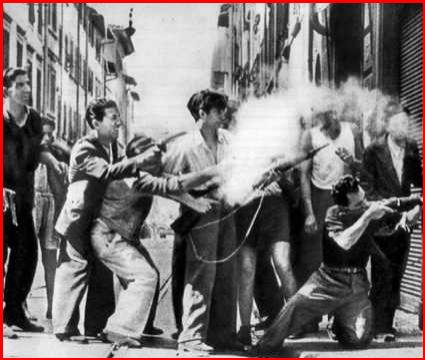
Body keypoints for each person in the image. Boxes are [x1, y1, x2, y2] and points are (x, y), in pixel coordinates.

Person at [256, 175, 420, 353]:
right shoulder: (333, 213)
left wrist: (418, 203)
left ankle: (340, 325)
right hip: (326, 281)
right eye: (358, 204)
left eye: (364, 199)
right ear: (343, 207)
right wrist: (367, 217)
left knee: (359, 340)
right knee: (294, 307)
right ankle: (263, 346)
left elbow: (408, 219)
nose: (365, 204)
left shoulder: (369, 209)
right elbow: (344, 242)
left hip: (356, 285)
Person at [90, 134, 219, 347]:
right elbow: (168, 188)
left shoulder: (136, 172)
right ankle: (118, 330)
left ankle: (142, 325)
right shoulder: (135, 178)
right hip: (110, 237)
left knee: (151, 274)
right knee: (144, 277)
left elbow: (166, 183)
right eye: (153, 155)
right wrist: (196, 202)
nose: (159, 159)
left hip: (120, 236)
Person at [52, 98, 161, 340]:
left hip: (97, 220)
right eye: (113, 118)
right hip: (77, 220)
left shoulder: (112, 147)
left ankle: (97, 327)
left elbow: (125, 162)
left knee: (100, 277)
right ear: (95, 121)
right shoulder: (84, 147)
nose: (118, 123)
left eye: (118, 118)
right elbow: (106, 172)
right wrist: (140, 161)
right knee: (73, 272)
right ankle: (63, 330)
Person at [164, 90, 240, 355]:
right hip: (200, 212)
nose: (224, 115)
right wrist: (192, 202)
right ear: (202, 114)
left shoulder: (229, 139)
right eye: (219, 111)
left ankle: (224, 336)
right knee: (201, 276)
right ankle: (191, 339)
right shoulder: (183, 146)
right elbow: (164, 182)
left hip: (227, 207)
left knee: (227, 274)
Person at [3, 67, 66, 334]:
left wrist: (50, 158)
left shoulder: (34, 119)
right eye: (20, 85)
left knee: (27, 253)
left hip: (23, 198)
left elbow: (39, 147)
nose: (28, 88)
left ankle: (15, 312)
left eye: (28, 83)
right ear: (7, 90)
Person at [295, 109, 360, 335]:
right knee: (312, 262)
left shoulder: (352, 131)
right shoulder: (310, 135)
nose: (323, 120)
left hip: (345, 201)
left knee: (342, 260)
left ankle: (339, 321)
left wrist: (352, 162)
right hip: (319, 198)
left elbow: (361, 168)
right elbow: (304, 175)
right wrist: (309, 212)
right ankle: (309, 320)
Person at [361, 102, 422, 340]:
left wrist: (417, 207)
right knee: (381, 273)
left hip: (406, 223)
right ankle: (379, 327)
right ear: (387, 125)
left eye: (406, 124)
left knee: (397, 274)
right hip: (381, 223)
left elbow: (418, 183)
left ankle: (387, 324)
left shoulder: (412, 148)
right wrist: (397, 211)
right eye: (397, 123)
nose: (402, 128)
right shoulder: (373, 151)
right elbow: (369, 190)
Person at [33, 118, 69, 320]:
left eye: (50, 134)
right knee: (25, 258)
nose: (46, 138)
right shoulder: (28, 151)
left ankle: (51, 306)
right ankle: (20, 307)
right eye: (43, 134)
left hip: (52, 204)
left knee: (50, 258)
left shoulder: (57, 155)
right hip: (31, 202)